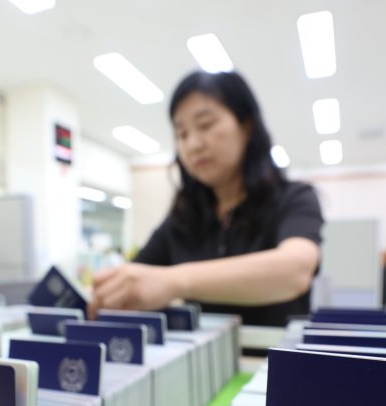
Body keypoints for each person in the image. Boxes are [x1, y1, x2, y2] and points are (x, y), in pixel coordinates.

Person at [89, 70, 324, 326]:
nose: (193, 144)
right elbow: (137, 276)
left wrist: (174, 281)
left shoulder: (294, 198)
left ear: (246, 126)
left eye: (205, 125)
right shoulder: (182, 218)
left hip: (274, 359)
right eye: (182, 134)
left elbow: (295, 270)